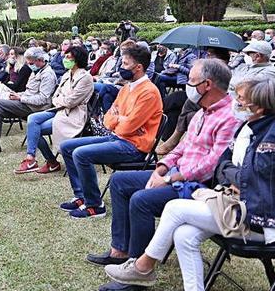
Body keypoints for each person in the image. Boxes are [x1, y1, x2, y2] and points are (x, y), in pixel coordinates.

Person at [103, 79, 275, 290]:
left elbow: (253, 179)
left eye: (242, 99)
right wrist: (236, 175)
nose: (235, 102)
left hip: (263, 221)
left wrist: (236, 176)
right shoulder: (249, 128)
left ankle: (142, 267)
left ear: (260, 106)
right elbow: (224, 166)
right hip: (237, 205)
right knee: (184, 235)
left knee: (174, 208)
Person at [88, 59, 239, 289]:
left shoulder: (229, 116)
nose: (187, 85)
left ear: (207, 85)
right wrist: (161, 168)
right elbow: (181, 148)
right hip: (178, 175)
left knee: (141, 200)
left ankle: (138, 274)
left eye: (192, 81)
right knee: (119, 181)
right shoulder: (202, 112)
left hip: (200, 188)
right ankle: (121, 251)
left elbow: (213, 164)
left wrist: (169, 178)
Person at [58, 44, 162, 219]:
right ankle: (82, 195)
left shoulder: (149, 92)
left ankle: (95, 205)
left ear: (139, 68)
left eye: (125, 64)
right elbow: (108, 118)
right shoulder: (127, 88)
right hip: (117, 138)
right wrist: (119, 119)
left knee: (81, 154)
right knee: (67, 147)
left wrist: (119, 120)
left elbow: (128, 126)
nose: (121, 67)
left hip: (134, 147)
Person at [16, 45, 93, 174]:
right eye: (65, 57)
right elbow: (55, 97)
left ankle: (49, 161)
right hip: (59, 109)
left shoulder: (85, 78)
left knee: (35, 130)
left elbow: (70, 101)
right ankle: (32, 158)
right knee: (32, 119)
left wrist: (60, 100)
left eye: (68, 57)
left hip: (72, 114)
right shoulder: (66, 75)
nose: (65, 59)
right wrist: (60, 100)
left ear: (77, 59)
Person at [0, 47, 57, 155]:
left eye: (31, 62)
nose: (29, 64)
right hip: (26, 102)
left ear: (40, 60)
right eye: (28, 62)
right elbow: (29, 91)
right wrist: (18, 95)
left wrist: (20, 98)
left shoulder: (47, 74)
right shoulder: (37, 71)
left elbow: (43, 99)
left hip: (36, 108)